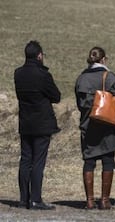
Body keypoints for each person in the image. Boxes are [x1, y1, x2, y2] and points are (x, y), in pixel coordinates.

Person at [14, 40, 61, 210]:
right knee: (38, 161)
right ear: (39, 55)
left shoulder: (18, 73)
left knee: (25, 160)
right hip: (42, 123)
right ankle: (35, 199)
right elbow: (56, 96)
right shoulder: (43, 75)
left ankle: (23, 199)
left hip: (25, 122)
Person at [75, 47, 115, 210]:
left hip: (88, 124)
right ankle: (105, 200)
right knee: (108, 161)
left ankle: (89, 201)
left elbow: (79, 104)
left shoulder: (81, 78)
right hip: (107, 125)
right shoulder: (110, 77)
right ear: (103, 60)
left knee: (89, 161)